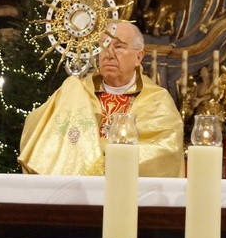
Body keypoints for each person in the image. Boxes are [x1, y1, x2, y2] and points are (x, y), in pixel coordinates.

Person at [18, 22, 184, 177]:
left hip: (129, 193)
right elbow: (41, 134)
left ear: (138, 57)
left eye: (119, 47)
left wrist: (101, 149)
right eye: (104, 47)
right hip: (75, 191)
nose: (109, 54)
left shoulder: (157, 100)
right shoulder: (76, 92)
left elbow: (165, 152)